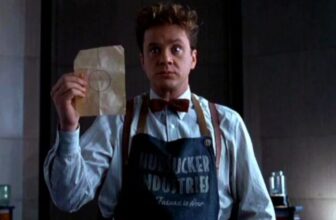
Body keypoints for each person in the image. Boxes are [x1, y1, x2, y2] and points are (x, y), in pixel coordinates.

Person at [44, 2, 275, 220]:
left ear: (193, 58)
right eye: (155, 50)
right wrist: (68, 127)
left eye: (176, 49)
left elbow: (259, 212)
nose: (166, 59)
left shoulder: (227, 123)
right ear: (142, 60)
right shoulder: (116, 123)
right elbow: (68, 197)